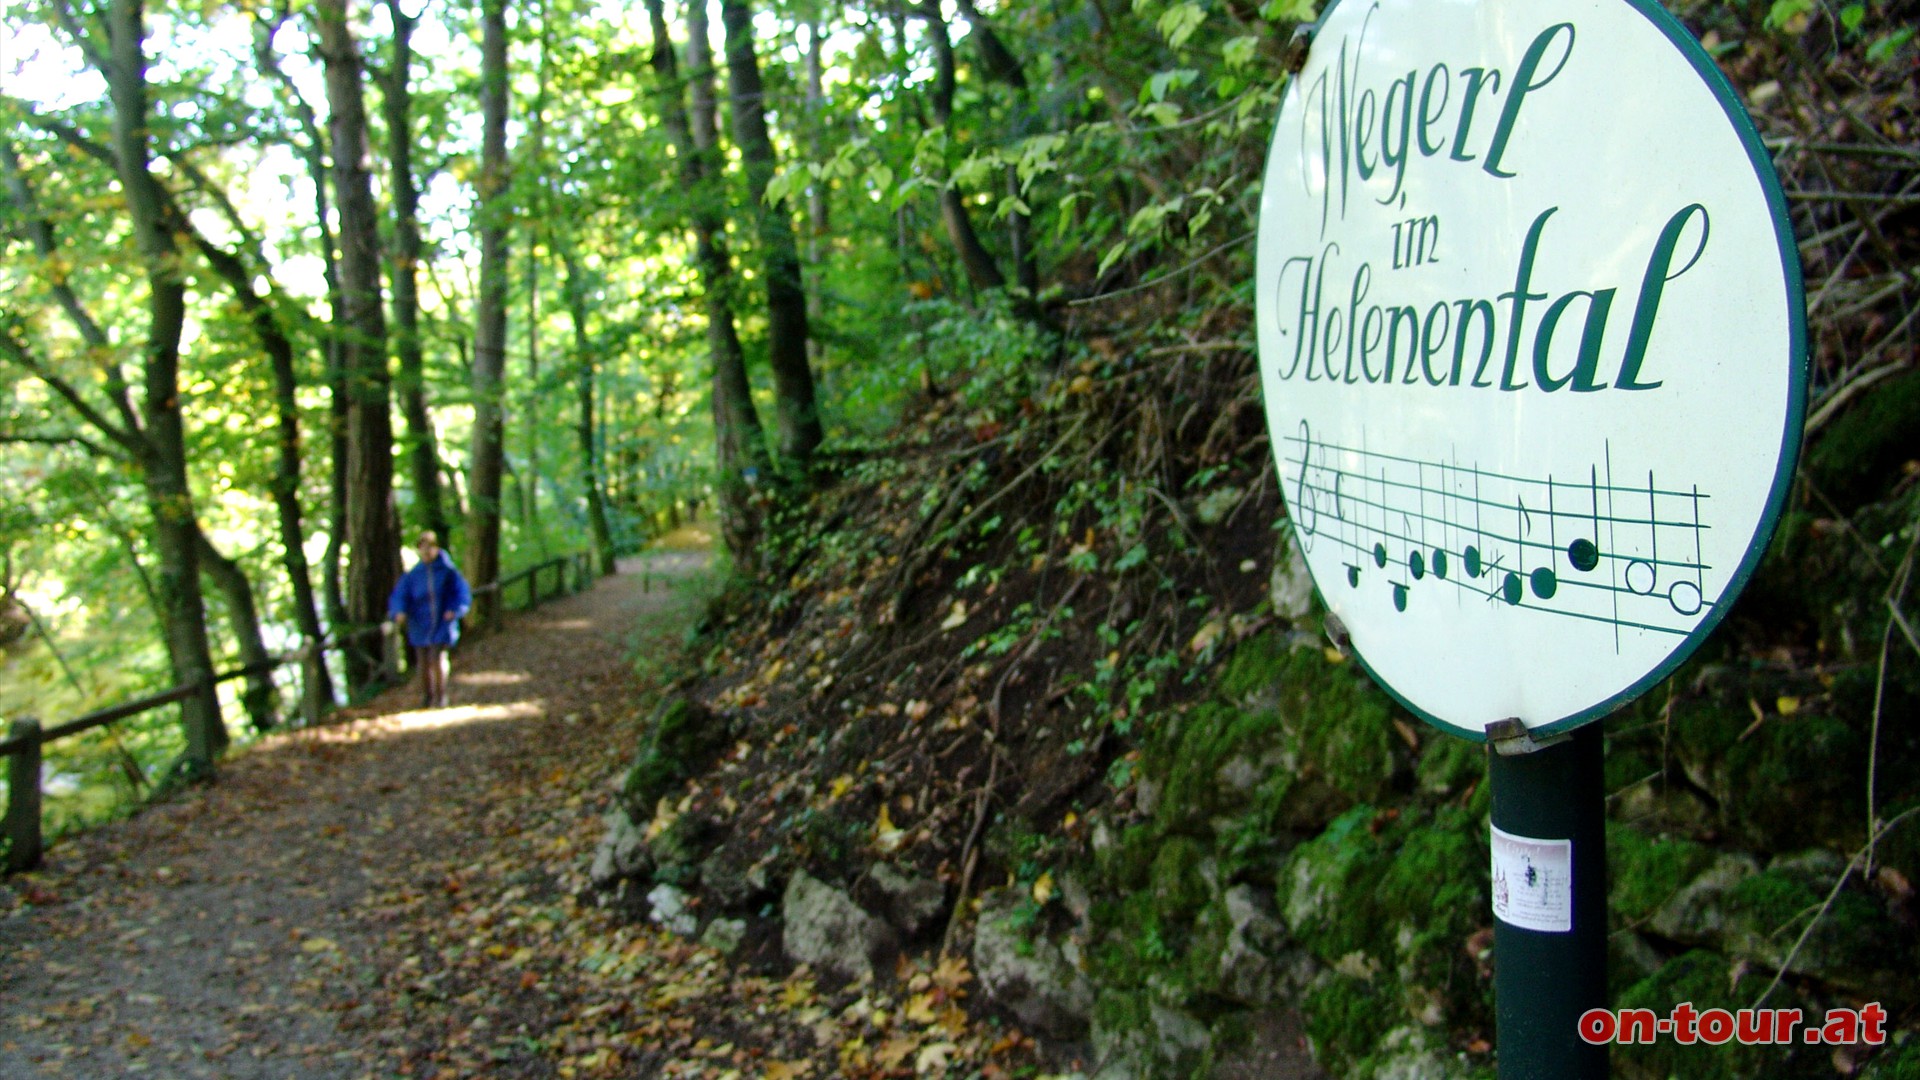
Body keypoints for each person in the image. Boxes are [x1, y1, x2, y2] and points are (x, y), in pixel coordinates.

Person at [385, 531, 471, 708]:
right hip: (419, 625)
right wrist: (399, 611)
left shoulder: (448, 572)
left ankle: (441, 695)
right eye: (422, 549)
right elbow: (400, 596)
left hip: (442, 623)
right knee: (423, 662)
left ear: (436, 549)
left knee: (437, 658)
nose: (426, 553)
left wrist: (455, 610)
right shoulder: (413, 576)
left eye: (429, 548)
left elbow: (462, 593)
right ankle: (427, 696)